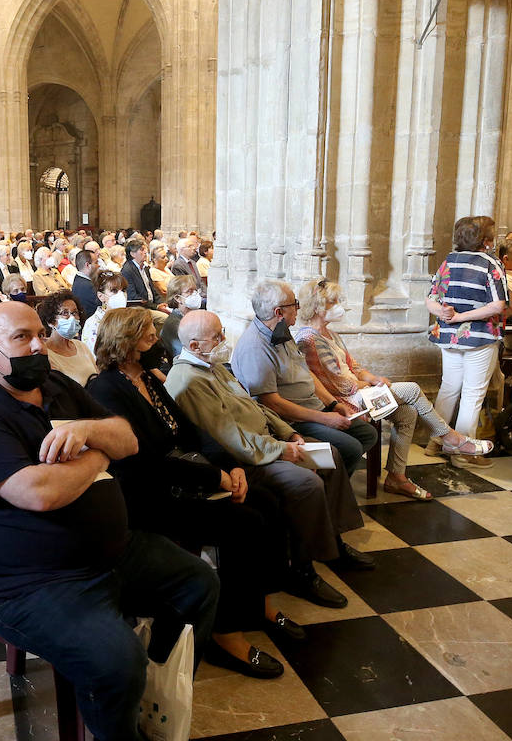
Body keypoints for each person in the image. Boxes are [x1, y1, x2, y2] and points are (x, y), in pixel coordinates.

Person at [0, 300, 218, 741]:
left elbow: (127, 439)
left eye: (39, 334)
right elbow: (39, 493)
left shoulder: (56, 384)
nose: (37, 346)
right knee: (115, 659)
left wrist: (90, 431)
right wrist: (98, 457)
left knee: (200, 584)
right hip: (31, 582)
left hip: (112, 552)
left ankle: (150, 699)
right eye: (21, 338)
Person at [86, 308, 301, 679]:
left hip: (179, 478)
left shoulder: (149, 380)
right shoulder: (106, 388)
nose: (160, 344)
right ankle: (226, 633)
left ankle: (258, 604)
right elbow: (147, 460)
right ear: (125, 343)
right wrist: (212, 478)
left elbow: (190, 434)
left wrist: (228, 467)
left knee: (267, 498)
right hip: (147, 496)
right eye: (150, 337)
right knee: (243, 522)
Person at [166, 310, 368, 609]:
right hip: (243, 459)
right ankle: (301, 570)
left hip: (266, 441)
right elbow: (228, 437)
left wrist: (288, 434)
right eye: (217, 336)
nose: (224, 340)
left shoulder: (214, 366)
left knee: (332, 455)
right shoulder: (188, 380)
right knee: (306, 483)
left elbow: (256, 406)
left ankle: (332, 543)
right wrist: (279, 450)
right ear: (194, 346)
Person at [296, 280, 492, 498]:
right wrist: (370, 384)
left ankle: (396, 478)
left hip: (359, 392)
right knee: (412, 389)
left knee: (408, 412)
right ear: (316, 306)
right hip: (345, 401)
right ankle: (450, 437)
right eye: (332, 302)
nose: (339, 306)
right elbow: (339, 383)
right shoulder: (309, 339)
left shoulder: (330, 334)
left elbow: (353, 367)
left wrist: (373, 377)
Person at [233, 279, 379, 473]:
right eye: (294, 304)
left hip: (312, 408)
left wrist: (333, 404)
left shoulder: (280, 330)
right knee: (350, 448)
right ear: (279, 312)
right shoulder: (255, 347)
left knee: (367, 433)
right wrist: (325, 418)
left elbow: (306, 372)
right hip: (292, 420)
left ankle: (332, 483)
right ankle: (328, 494)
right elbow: (272, 403)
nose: (298, 309)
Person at [426, 216, 508, 467]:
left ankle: (435, 440)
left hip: (449, 335)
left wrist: (441, 312)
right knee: (473, 393)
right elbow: (498, 305)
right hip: (479, 337)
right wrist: (463, 316)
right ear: (486, 240)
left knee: (448, 388)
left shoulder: (449, 260)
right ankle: (464, 450)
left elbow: (430, 298)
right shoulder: (491, 264)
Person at [37, 291, 98, 386]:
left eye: (75, 312)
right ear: (51, 321)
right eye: (65, 313)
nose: (72, 318)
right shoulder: (46, 355)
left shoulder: (81, 346)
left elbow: (97, 374)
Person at [81, 270, 129, 354]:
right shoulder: (93, 324)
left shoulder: (127, 318)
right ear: (101, 296)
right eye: (114, 291)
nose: (121, 295)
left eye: (123, 290)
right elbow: (95, 357)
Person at [160, 275, 202, 360]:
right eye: (189, 291)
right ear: (177, 298)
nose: (194, 294)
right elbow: (186, 356)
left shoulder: (191, 317)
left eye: (195, 290)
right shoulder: (174, 324)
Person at [120, 239, 163, 311]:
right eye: (142, 250)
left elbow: (152, 290)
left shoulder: (145, 268)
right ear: (133, 254)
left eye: (145, 250)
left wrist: (161, 303)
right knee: (164, 319)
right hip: (141, 309)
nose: (145, 252)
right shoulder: (127, 270)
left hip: (152, 305)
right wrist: (156, 306)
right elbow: (133, 297)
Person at [70, 248, 100, 321]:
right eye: (96, 263)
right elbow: (100, 307)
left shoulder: (80, 280)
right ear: (87, 265)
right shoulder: (86, 286)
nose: (98, 265)